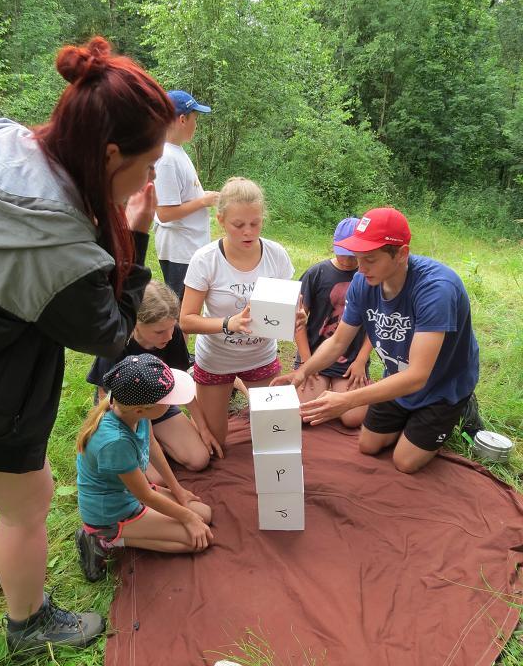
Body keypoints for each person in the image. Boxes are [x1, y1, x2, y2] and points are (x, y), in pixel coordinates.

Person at [0, 36, 176, 653]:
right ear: (109, 155)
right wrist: (137, 236)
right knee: (30, 500)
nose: (151, 176)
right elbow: (108, 330)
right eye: (147, 163)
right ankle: (29, 626)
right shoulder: (61, 251)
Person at [274, 207, 479, 474]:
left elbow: (418, 376)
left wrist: (348, 400)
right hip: (397, 378)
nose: (360, 268)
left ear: (401, 254)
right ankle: (412, 422)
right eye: (358, 257)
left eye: (370, 259)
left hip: (440, 386)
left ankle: (459, 407)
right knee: (368, 445)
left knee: (405, 462)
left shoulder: (436, 289)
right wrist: (303, 372)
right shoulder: (363, 281)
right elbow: (337, 342)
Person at [180, 177, 298, 446]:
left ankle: (241, 386)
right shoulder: (205, 259)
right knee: (216, 444)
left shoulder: (276, 255)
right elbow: (186, 321)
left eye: (255, 224)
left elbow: (288, 309)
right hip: (216, 360)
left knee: (275, 438)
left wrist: (297, 316)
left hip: (261, 357)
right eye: (239, 225)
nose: (248, 232)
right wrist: (228, 323)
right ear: (220, 220)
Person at [75, 354, 213, 583]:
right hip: (113, 512)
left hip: (130, 494)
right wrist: (187, 517)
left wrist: (177, 490)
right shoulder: (115, 441)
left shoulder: (132, 410)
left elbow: (152, 445)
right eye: (168, 401)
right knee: (196, 540)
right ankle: (102, 538)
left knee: (204, 515)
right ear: (142, 409)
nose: (173, 404)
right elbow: (146, 495)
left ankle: (135, 530)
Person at [87, 280, 223, 469]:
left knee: (199, 460)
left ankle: (160, 441)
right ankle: (153, 444)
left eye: (171, 327)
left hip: (158, 405)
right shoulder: (115, 342)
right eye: (159, 331)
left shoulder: (172, 334)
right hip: (125, 412)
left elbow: (180, 383)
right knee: (156, 478)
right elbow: (105, 397)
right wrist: (128, 432)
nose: (168, 336)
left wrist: (203, 428)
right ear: (135, 323)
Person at [294, 217, 372, 428]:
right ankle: (326, 390)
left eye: (352, 255)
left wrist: (361, 361)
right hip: (314, 355)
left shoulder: (370, 276)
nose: (347, 260)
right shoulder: (316, 274)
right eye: (341, 252)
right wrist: (306, 361)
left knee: (353, 419)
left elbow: (375, 327)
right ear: (333, 245)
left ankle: (335, 391)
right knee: (302, 414)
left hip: (350, 361)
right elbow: (297, 322)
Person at [153, 90, 219, 302]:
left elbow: (182, 197)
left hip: (189, 248)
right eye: (195, 119)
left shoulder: (177, 152)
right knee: (177, 314)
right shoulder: (166, 158)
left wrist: (202, 196)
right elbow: (164, 213)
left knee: (183, 311)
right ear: (182, 119)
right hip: (179, 251)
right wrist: (203, 201)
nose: (196, 125)